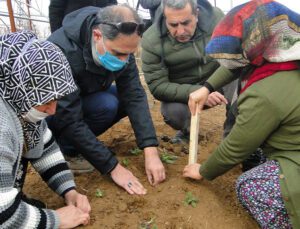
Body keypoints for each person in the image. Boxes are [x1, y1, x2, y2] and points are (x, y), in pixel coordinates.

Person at [183, 0, 300, 228]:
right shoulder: (283, 53)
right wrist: (206, 87)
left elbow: (237, 145)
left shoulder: (265, 93)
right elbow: (238, 63)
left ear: (257, 45)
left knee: (248, 185)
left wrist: (203, 170)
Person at [47, 5, 166, 195]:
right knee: (107, 105)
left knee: (122, 100)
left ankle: (76, 145)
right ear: (97, 36)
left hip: (85, 95)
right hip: (54, 113)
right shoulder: (61, 52)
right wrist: (113, 167)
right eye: (118, 53)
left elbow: (134, 94)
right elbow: (68, 118)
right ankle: (66, 150)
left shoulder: (121, 46)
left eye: (130, 54)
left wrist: (150, 150)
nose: (124, 60)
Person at [0, 31, 91, 228]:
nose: (53, 110)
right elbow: (2, 215)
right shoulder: (2, 124)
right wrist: (55, 220)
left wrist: (69, 190)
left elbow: (45, 147)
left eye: (55, 99)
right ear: (22, 87)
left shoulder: (16, 98)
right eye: (46, 101)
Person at [141, 0, 230, 144]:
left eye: (186, 23)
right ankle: (187, 132)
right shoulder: (152, 40)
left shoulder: (217, 19)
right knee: (174, 113)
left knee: (241, 83)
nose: (181, 31)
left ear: (197, 14)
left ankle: (234, 135)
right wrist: (200, 91)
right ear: (165, 18)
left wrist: (210, 86)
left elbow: (236, 56)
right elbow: (157, 86)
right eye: (173, 25)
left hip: (218, 80)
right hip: (185, 90)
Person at [49, 0, 118, 33]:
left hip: (100, 32)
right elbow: (55, 10)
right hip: (72, 34)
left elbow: (112, 7)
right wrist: (57, 34)